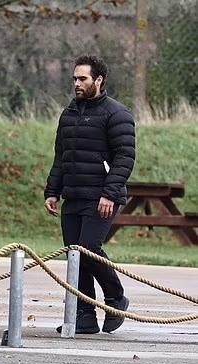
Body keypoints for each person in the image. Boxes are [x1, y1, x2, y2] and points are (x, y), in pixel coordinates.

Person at [44, 55, 136, 334]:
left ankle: (115, 297)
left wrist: (109, 193)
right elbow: (61, 156)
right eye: (75, 78)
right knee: (74, 255)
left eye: (83, 78)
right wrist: (53, 190)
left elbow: (125, 158)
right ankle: (84, 315)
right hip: (73, 195)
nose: (77, 83)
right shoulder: (69, 114)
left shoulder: (117, 114)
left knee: (88, 249)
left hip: (101, 197)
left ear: (99, 80)